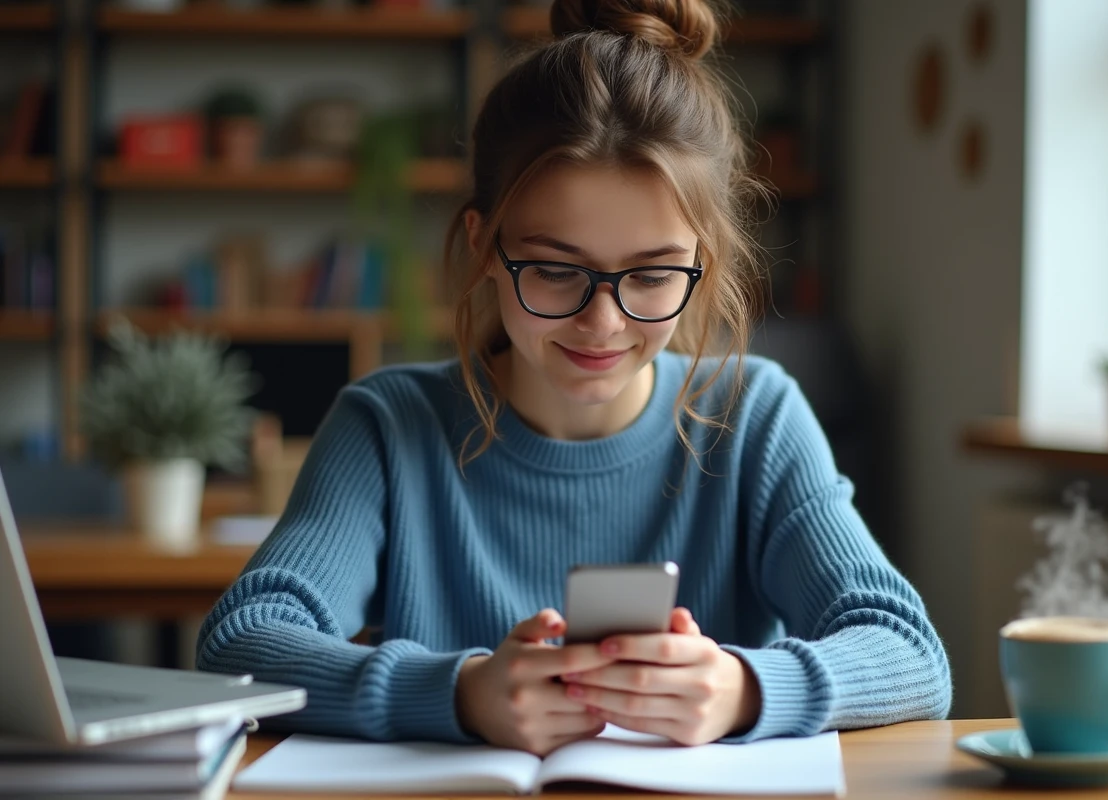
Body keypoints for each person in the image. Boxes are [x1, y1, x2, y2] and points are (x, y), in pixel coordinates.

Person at [197, 0, 952, 757]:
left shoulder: (756, 416)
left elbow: (910, 655)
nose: (604, 322)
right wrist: (459, 692)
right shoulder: (390, 426)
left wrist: (742, 689)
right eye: (556, 271)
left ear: (703, 261)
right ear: (484, 246)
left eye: (653, 275)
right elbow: (240, 644)